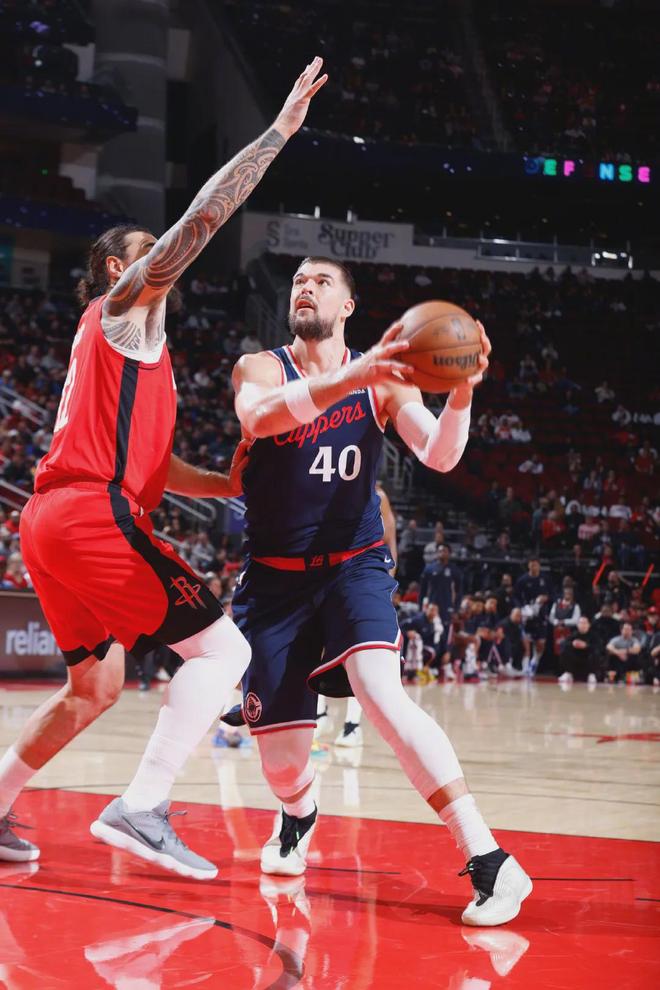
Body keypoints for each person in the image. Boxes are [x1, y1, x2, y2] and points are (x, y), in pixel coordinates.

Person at [0, 57, 328, 876]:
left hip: (53, 521)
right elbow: (202, 218)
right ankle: (141, 807)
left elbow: (152, 461)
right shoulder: (122, 309)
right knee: (224, 655)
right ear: (120, 269)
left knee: (94, 687)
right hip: (89, 513)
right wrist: (276, 135)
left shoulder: (138, 350)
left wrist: (223, 483)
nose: (167, 256)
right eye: (149, 251)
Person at [230, 254, 531, 926]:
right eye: (299, 280)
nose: (306, 287)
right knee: (282, 764)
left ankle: (489, 859)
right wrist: (355, 375)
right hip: (273, 581)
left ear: (348, 306)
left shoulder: (385, 381)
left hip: (352, 564)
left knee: (381, 692)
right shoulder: (260, 368)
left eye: (322, 282)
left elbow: (440, 455)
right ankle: (299, 813)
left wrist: (462, 392)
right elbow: (259, 420)